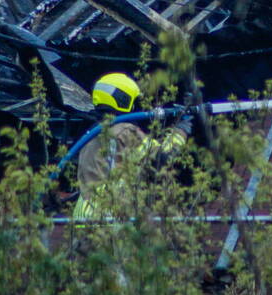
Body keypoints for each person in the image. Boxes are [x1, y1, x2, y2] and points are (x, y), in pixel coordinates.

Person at [72, 72, 191, 221]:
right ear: (123, 99)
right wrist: (181, 129)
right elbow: (162, 158)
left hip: (83, 216)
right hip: (112, 216)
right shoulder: (124, 131)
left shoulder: (89, 131)